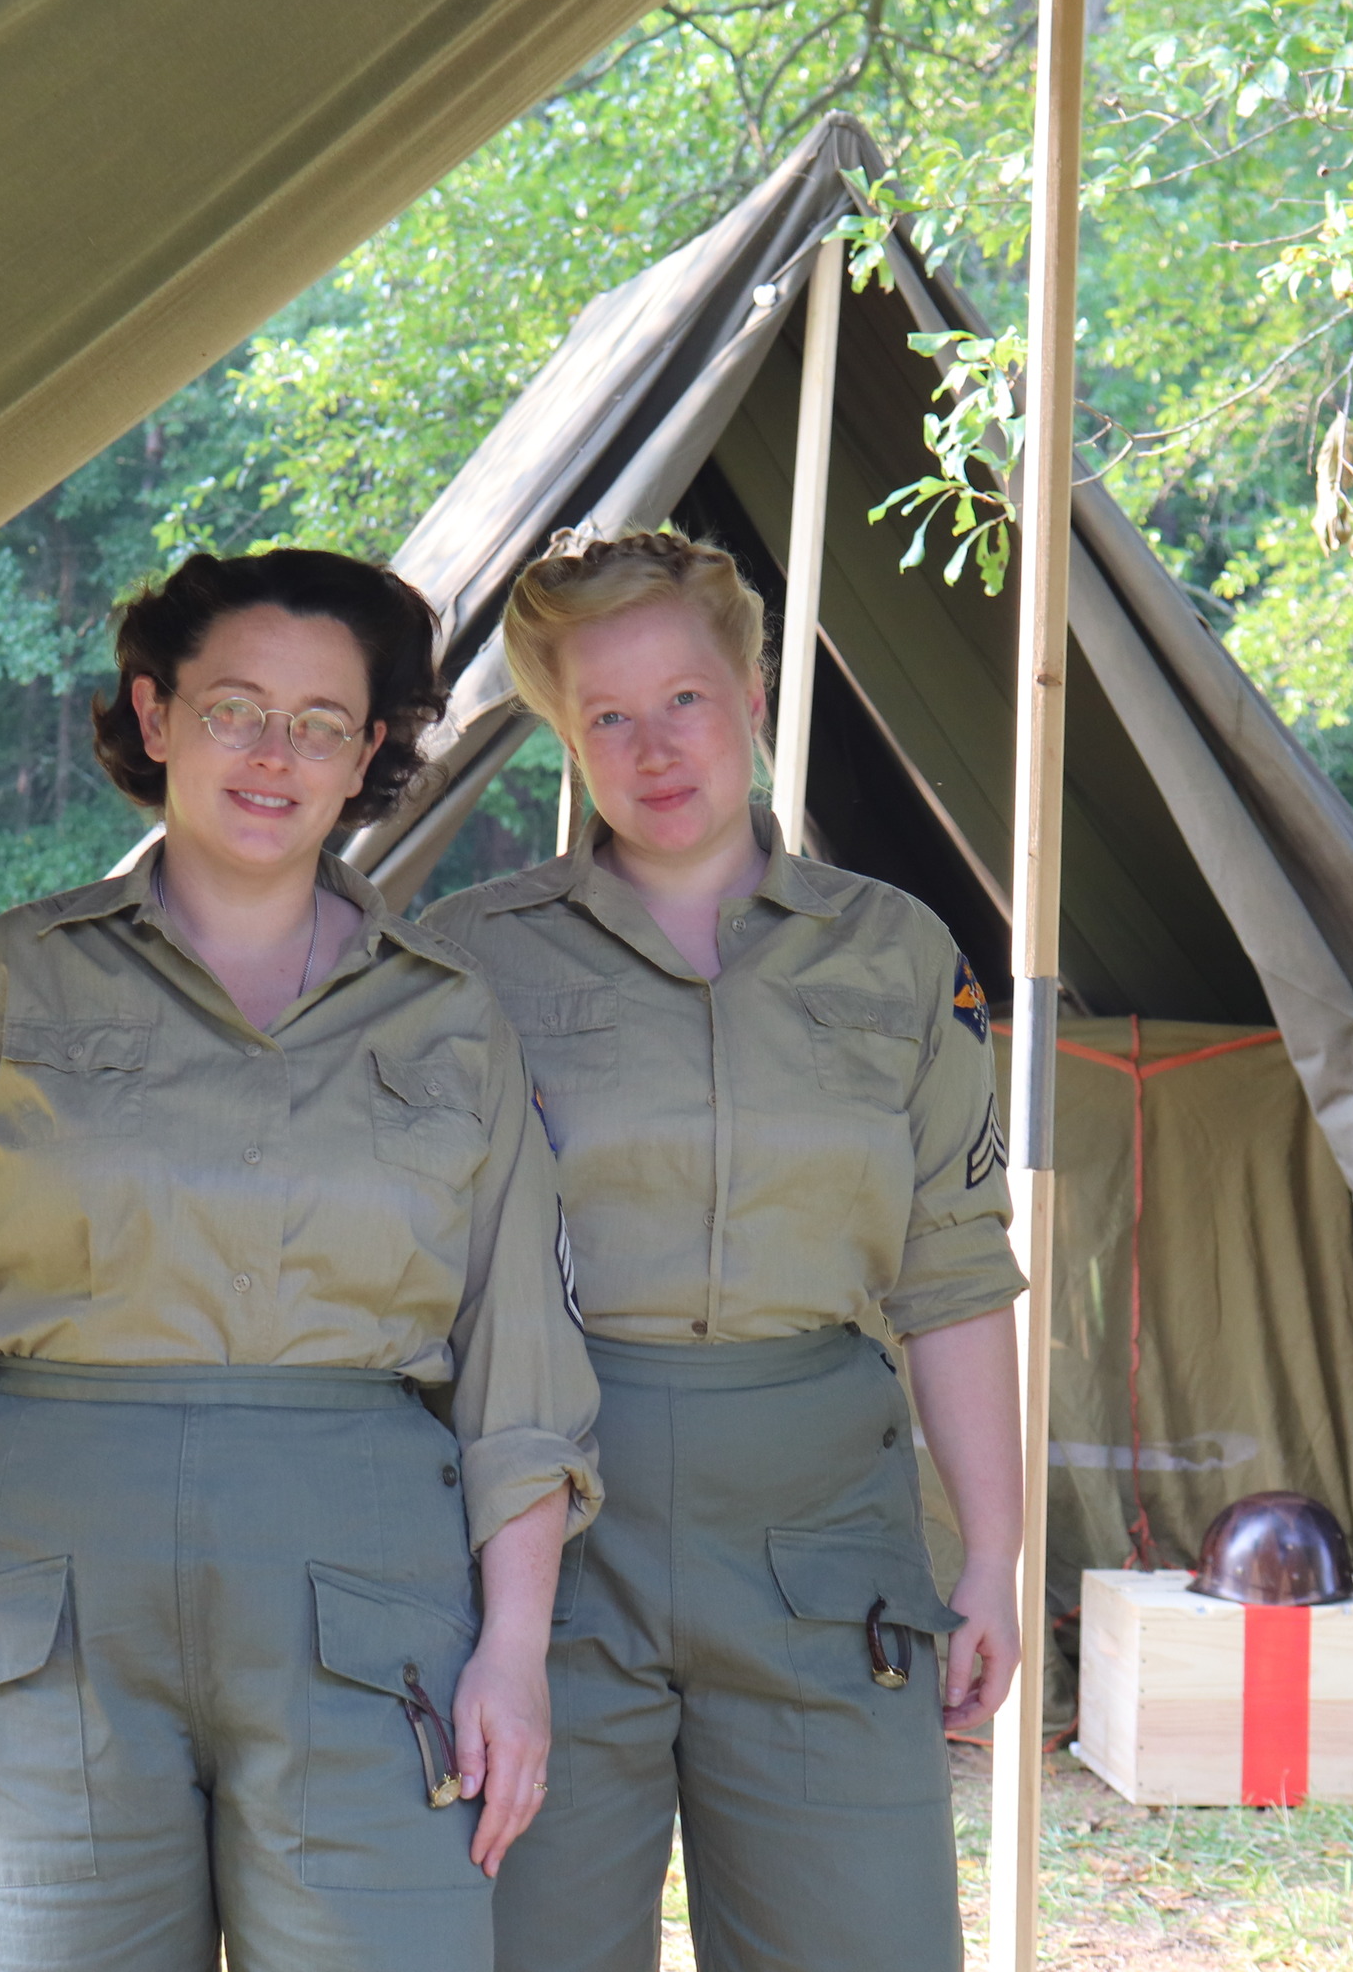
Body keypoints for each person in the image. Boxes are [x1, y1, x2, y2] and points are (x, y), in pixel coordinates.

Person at [0, 548, 601, 1972]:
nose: (274, 755)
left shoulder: (450, 1020)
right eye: (236, 708)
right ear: (155, 716)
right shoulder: (13, 979)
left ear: (367, 755)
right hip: (38, 1614)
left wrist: (516, 1655)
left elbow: (521, 1376)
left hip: (366, 1604)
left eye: (319, 724)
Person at [424, 529, 1027, 1971]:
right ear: (565, 740)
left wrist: (998, 1554)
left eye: (684, 698)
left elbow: (950, 1266)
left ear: (751, 690)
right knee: (533, 1940)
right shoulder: (467, 961)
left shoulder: (892, 954)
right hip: (547, 1520)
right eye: (606, 717)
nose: (654, 748)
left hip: (822, 1529)